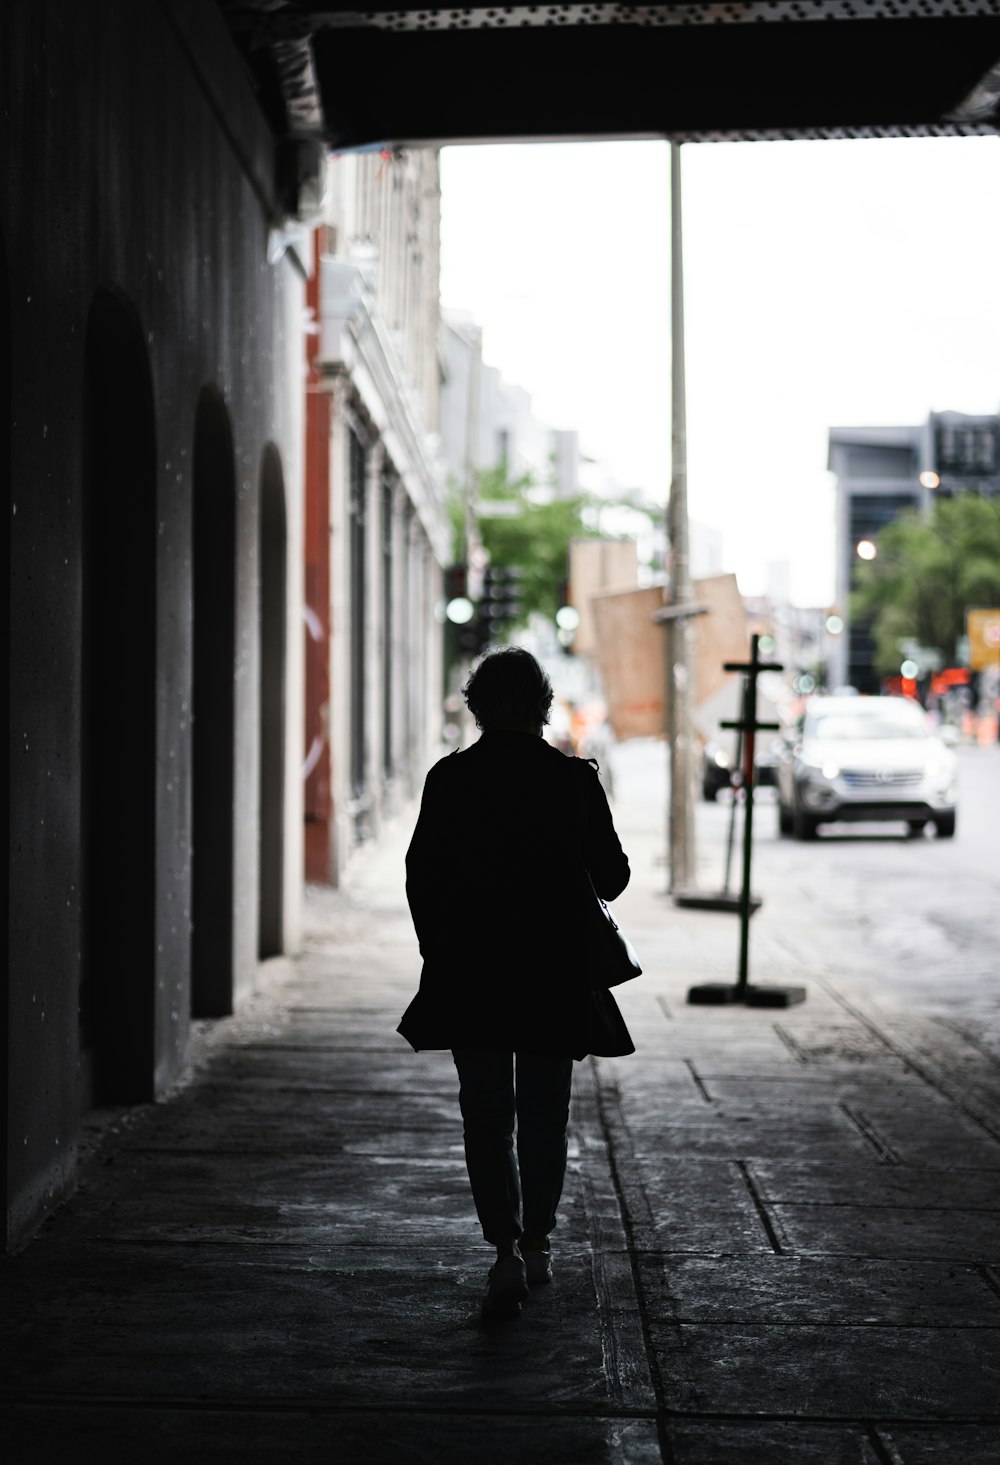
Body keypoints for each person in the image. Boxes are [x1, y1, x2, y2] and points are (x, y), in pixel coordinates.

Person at [397, 646, 635, 1317]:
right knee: (542, 1115)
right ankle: (537, 1244)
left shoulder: (450, 780)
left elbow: (421, 876)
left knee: (485, 1114)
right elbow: (612, 877)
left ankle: (501, 1250)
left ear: (476, 706)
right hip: (553, 972)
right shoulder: (571, 779)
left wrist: (438, 947)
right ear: (540, 704)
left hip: (470, 969)